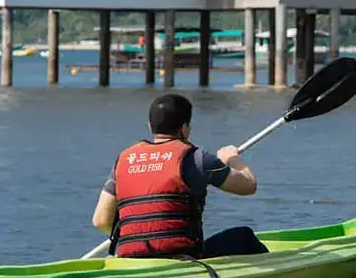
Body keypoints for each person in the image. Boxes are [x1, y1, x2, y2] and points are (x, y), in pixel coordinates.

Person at [91, 93, 269, 259]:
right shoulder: (197, 159)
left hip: (131, 260)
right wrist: (232, 158)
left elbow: (100, 221)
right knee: (243, 236)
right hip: (183, 258)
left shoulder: (123, 161)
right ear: (184, 128)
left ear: (150, 126)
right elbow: (248, 186)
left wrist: (140, 235)